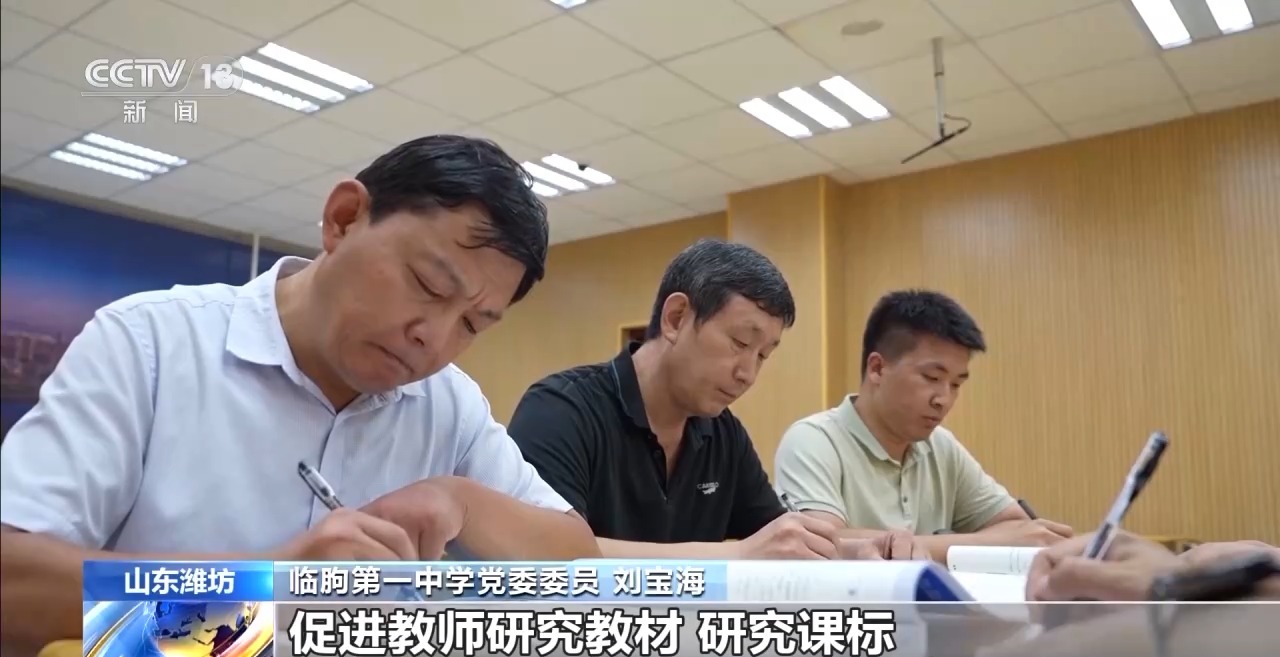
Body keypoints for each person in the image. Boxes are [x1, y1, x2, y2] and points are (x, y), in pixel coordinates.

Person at [0, 135, 599, 651]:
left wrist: (459, 500)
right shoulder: (151, 343)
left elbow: (579, 566)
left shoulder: (449, 405)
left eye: (472, 324)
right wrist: (263, 591)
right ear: (344, 218)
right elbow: (13, 585)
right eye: (427, 283)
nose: (434, 339)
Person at [507, 239, 926, 560]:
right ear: (676, 318)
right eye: (739, 343)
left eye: (763, 355)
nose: (748, 374)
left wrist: (864, 549)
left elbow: (782, 538)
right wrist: (736, 555)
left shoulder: (723, 434)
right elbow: (546, 552)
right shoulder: (562, 410)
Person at [774, 289, 1072, 562]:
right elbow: (821, 546)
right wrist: (967, 545)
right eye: (932, 378)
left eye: (956, 384)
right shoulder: (813, 440)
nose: (944, 399)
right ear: (877, 368)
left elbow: (1015, 527)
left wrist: (982, 542)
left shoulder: (940, 446)